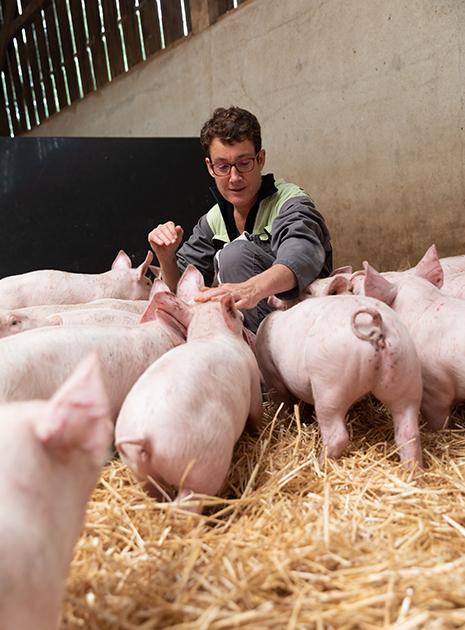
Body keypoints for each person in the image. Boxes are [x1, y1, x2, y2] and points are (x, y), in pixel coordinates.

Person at [148, 106, 332, 332]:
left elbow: (302, 255)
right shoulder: (214, 219)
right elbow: (181, 289)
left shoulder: (290, 201)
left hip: (307, 324)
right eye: (223, 166)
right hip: (256, 326)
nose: (234, 178)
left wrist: (251, 288)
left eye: (244, 163)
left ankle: (261, 357)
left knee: (235, 254)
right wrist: (166, 258)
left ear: (261, 159)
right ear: (210, 167)